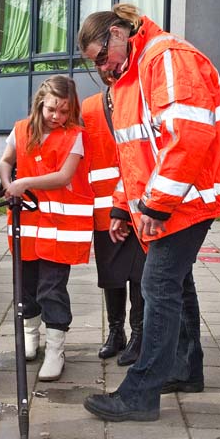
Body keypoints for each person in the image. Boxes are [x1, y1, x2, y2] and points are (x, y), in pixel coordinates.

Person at [78, 3, 220, 421]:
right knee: (176, 284)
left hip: (187, 199)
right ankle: (186, 369)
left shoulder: (166, 58)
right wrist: (121, 207)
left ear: (119, 33)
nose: (102, 68)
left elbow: (189, 136)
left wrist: (156, 204)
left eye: (102, 57)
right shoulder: (131, 74)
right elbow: (133, 153)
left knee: (158, 287)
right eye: (94, 63)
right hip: (174, 201)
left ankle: (142, 392)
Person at [0, 75, 95, 382]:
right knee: (25, 285)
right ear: (40, 103)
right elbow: (5, 161)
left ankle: (56, 349)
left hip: (61, 228)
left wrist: (23, 183)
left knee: (51, 289)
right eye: (52, 109)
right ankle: (30, 336)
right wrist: (6, 183)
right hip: (27, 225)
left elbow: (65, 176)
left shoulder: (75, 135)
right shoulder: (20, 129)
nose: (57, 117)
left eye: (64, 111)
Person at [80, 72, 145, 366]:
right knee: (111, 273)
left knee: (140, 275)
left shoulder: (142, 102)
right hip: (105, 207)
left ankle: (138, 334)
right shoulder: (89, 108)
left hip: (140, 207)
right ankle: (115, 331)